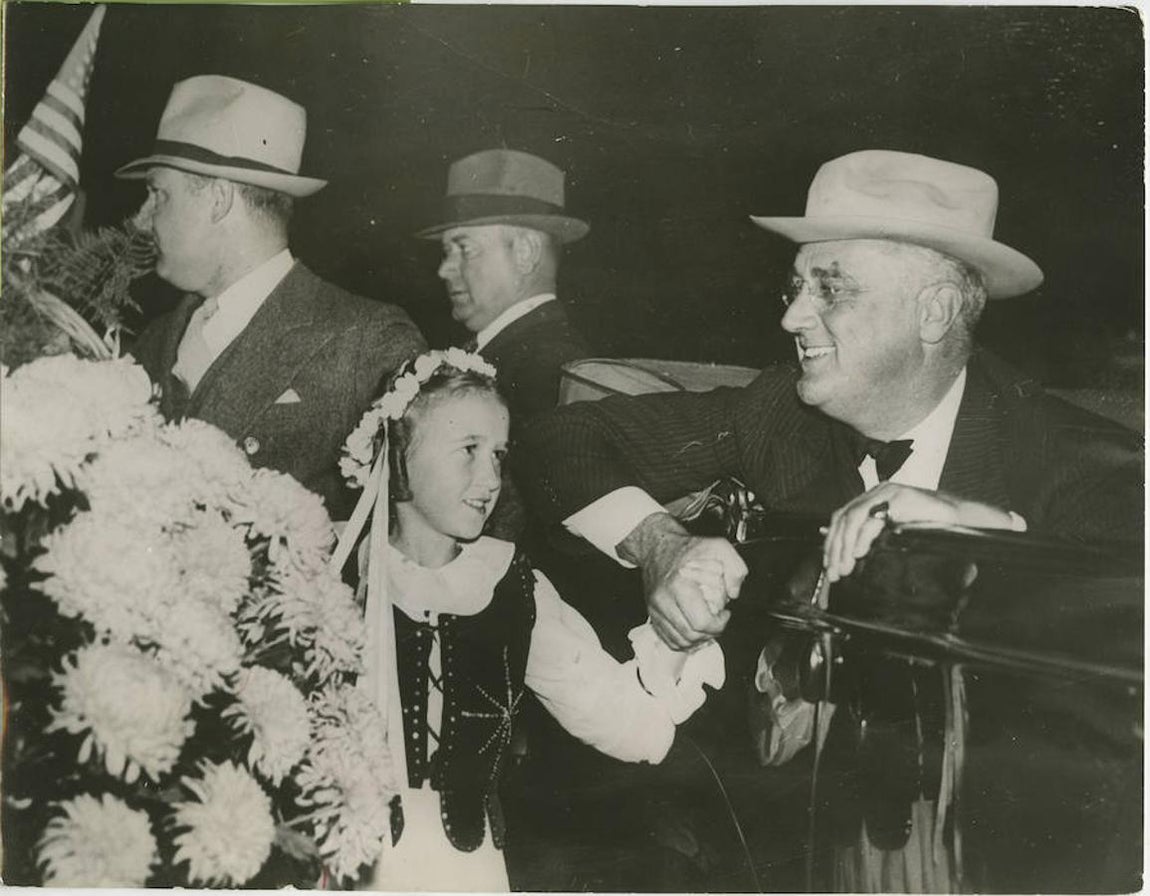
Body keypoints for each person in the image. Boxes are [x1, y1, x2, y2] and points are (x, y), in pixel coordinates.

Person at [518, 148, 1143, 649]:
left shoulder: (1061, 449)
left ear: (935, 312)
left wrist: (970, 529)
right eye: (795, 288)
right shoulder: (779, 412)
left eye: (831, 290)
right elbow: (556, 441)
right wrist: (659, 543)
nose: (791, 318)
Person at [333, 349, 722, 891]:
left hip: (465, 875)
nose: (489, 477)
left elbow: (629, 727)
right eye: (467, 450)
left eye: (498, 455)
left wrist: (680, 634)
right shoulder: (328, 571)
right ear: (398, 454)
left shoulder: (512, 587)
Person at [123, 75, 425, 519]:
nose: (141, 220)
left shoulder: (366, 343)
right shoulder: (153, 341)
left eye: (157, 194)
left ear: (219, 200)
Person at [418, 148, 591, 426]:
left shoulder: (545, 371)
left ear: (525, 252)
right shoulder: (513, 354)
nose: (444, 269)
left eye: (464, 248)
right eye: (446, 251)